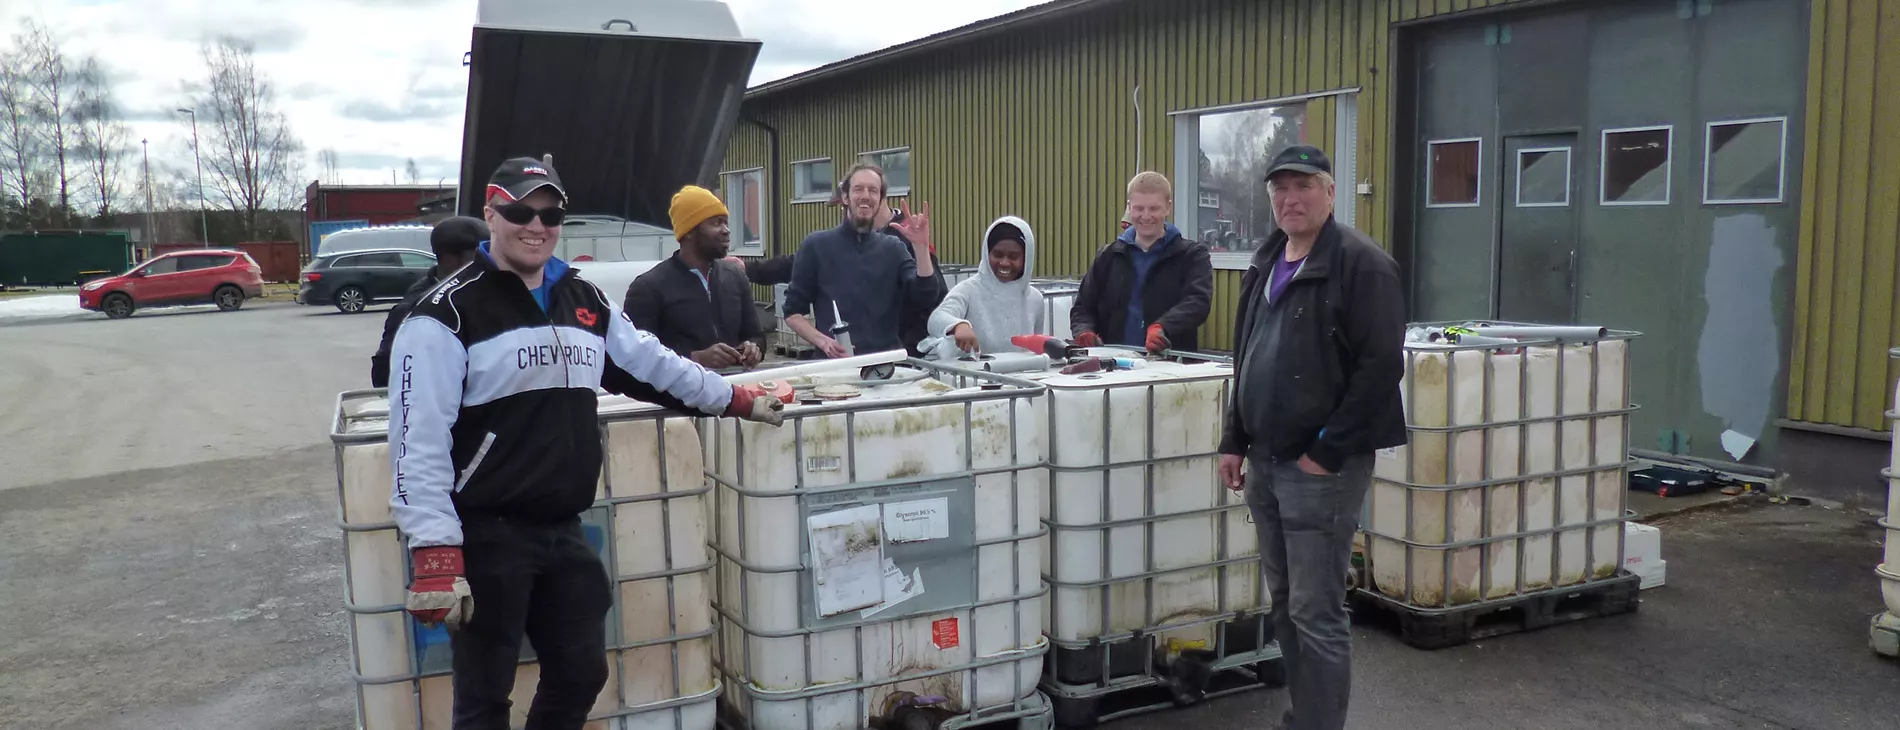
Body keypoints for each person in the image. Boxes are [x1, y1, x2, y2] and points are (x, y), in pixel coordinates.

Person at [387, 157, 785, 730]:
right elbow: (415, 441)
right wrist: (434, 551)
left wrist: (736, 399)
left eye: (550, 214)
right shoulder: (443, 315)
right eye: (520, 211)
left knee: (581, 670)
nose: (536, 224)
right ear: (490, 215)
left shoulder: (584, 300)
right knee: (484, 697)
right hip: (486, 532)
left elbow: (653, 363)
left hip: (563, 526)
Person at [1215, 145, 1405, 730]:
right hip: (1267, 462)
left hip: (1321, 467)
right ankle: (1304, 717)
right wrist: (1233, 438)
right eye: (1279, 189)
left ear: (1328, 192)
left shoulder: (1361, 263)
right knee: (1284, 603)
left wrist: (1326, 450)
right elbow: (1245, 353)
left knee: (1315, 609)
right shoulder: (1267, 259)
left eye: (1302, 187)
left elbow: (1380, 368)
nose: (1289, 199)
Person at [736, 178, 946, 358]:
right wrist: (749, 269)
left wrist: (921, 248)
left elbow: (930, 296)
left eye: (872, 190)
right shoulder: (821, 244)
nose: (864, 198)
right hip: (836, 366)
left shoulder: (899, 243)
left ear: (881, 199)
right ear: (847, 198)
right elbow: (793, 275)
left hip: (892, 360)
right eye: (857, 191)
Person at [622, 185, 763, 370]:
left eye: (725, 222)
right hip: (677, 396)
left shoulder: (735, 277)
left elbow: (756, 336)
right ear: (688, 231)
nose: (726, 230)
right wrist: (695, 357)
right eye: (716, 223)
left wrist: (754, 349)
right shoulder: (648, 287)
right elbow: (636, 355)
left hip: (733, 390)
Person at [1070, 171, 1213, 354]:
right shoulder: (1108, 256)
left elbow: (1198, 302)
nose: (1146, 216)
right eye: (1139, 208)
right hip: (1113, 367)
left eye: (1154, 208)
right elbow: (1082, 308)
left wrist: (1163, 327)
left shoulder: (1192, 256)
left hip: (1171, 368)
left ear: (1167, 208)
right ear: (1129, 207)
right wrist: (1084, 332)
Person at [370, 216, 486, 388]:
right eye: (483, 257)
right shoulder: (414, 310)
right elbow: (385, 376)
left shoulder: (487, 293)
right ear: (452, 260)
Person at [920, 216, 1042, 360]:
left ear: (1026, 259)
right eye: (997, 255)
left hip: (1020, 377)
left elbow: (1036, 346)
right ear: (987, 253)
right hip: (974, 377)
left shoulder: (1035, 299)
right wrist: (958, 326)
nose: (1004, 262)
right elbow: (936, 319)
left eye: (1013, 256)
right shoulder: (968, 290)